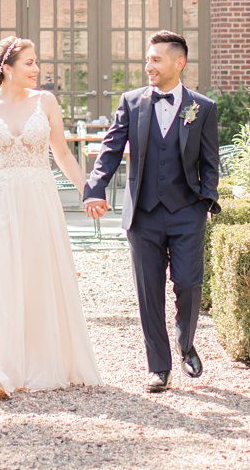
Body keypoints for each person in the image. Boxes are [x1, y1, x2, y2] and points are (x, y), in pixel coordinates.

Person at [0, 36, 102, 399]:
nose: (36, 69)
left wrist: (89, 190)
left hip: (37, 201)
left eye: (36, 62)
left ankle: (37, 363)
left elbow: (62, 153)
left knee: (35, 277)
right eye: (29, 63)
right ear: (6, 68)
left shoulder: (46, 102)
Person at [83, 30, 220, 393]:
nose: (149, 66)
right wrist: (94, 188)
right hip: (143, 214)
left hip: (187, 212)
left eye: (156, 59)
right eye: (147, 59)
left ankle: (186, 342)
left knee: (189, 285)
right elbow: (110, 150)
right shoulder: (131, 103)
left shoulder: (202, 108)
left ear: (179, 63)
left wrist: (206, 199)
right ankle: (158, 367)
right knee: (149, 292)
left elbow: (210, 162)